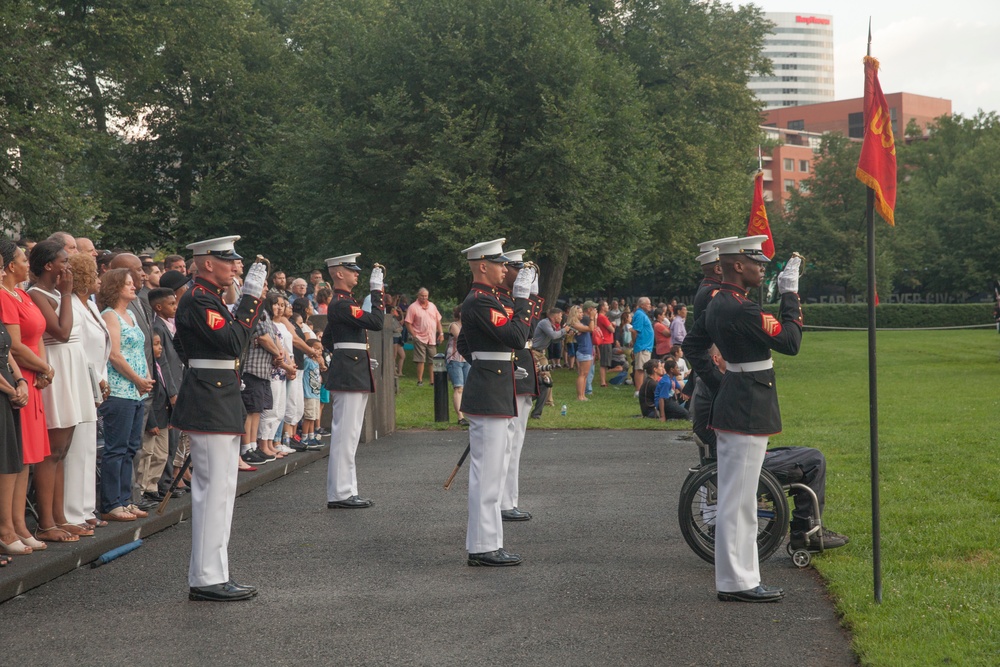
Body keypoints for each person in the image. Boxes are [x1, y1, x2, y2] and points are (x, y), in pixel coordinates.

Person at [683, 235, 803, 603]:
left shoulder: (721, 301)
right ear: (738, 265)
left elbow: (692, 346)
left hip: (739, 397)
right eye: (758, 263)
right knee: (738, 499)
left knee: (742, 497)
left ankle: (742, 578)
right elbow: (792, 341)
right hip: (748, 405)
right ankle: (737, 583)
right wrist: (790, 293)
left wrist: (722, 383)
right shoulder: (742, 309)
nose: (763, 269)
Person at [171, 236, 265, 602]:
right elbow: (232, 343)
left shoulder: (206, 297)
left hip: (218, 393)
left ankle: (215, 572)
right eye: (230, 262)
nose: (237, 268)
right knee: (212, 491)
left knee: (223, 490)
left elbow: (188, 345)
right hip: (210, 397)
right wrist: (252, 300)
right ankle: (207, 577)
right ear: (207, 262)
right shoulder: (198, 297)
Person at [691, 345, 848, 553]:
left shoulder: (709, 384)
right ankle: (804, 530)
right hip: (741, 459)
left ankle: (806, 526)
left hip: (731, 455)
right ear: (717, 358)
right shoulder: (721, 387)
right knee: (815, 460)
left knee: (801, 452)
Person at [455, 238, 533, 566]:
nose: (506, 268)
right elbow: (516, 337)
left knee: (494, 471)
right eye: (500, 263)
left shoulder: (486, 300)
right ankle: (482, 546)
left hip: (494, 389)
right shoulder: (480, 301)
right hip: (490, 392)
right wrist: (524, 300)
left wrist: (485, 361)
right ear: (483, 266)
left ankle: (490, 543)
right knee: (487, 474)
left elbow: (464, 342)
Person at [29, 240, 98, 539]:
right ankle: (46, 523)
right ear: (49, 266)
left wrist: (65, 294)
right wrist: (68, 294)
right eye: (64, 261)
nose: (68, 267)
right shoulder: (37, 294)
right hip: (55, 367)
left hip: (73, 368)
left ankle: (59, 516)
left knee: (63, 450)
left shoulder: (57, 293)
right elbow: (62, 330)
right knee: (51, 451)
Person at [0, 241, 55, 549]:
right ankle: (10, 525)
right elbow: (15, 346)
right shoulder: (4, 297)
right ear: (10, 266)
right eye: (23, 259)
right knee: (17, 456)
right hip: (22, 374)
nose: (27, 265)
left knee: (28, 456)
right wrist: (43, 368)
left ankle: (20, 524)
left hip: (33, 376)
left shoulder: (21, 293)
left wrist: (45, 369)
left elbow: (38, 334)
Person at [322, 253, 385, 509]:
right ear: (339, 273)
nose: (357, 274)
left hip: (352, 370)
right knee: (344, 436)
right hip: (349, 374)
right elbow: (377, 322)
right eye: (351, 270)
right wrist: (377, 291)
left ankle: (346, 490)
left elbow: (328, 339)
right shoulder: (341, 304)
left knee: (349, 435)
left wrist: (349, 353)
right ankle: (340, 493)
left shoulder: (344, 303)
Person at [98, 268, 155, 523]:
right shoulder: (110, 315)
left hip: (137, 392)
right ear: (115, 287)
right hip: (121, 390)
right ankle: (112, 503)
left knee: (131, 447)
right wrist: (137, 379)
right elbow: (115, 354)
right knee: (116, 448)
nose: (134, 287)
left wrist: (143, 381)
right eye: (128, 283)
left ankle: (126, 499)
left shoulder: (130, 313)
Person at [64, 252, 110, 528]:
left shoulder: (89, 305)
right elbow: (79, 349)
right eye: (93, 274)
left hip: (96, 380)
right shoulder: (71, 304)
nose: (99, 280)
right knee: (77, 450)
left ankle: (86, 509)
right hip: (82, 380)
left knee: (88, 448)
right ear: (83, 278)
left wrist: (102, 379)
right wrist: (97, 380)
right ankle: (72, 512)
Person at [495, 249, 539, 522]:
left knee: (515, 441)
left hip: (521, 366)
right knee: (507, 441)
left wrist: (529, 295)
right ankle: (503, 501)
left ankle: (508, 499)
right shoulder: (500, 299)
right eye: (517, 269)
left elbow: (531, 328)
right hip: (510, 367)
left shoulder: (513, 299)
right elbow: (524, 331)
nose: (521, 274)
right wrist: (525, 297)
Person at [529, 308, 566, 419]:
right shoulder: (545, 323)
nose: (561, 318)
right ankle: (534, 399)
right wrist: (564, 330)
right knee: (539, 377)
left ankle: (548, 401)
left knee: (548, 378)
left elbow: (554, 340)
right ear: (554, 316)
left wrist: (564, 334)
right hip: (534, 352)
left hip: (541, 353)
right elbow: (554, 335)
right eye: (560, 316)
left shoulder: (552, 325)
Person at [403, 287, 443, 386]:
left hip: (431, 338)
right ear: (418, 295)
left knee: (433, 359)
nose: (424, 298)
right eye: (422, 296)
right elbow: (408, 322)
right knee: (420, 359)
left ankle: (432, 381)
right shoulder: (413, 307)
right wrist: (414, 335)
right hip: (420, 337)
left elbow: (438, 320)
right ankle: (420, 380)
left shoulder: (432, 306)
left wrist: (441, 333)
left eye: (426, 296)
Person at [446, 306, 471, 426]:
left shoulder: (470, 326)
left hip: (466, 359)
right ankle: (460, 417)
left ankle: (467, 415)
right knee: (459, 387)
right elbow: (461, 337)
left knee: (467, 388)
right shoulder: (454, 325)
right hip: (455, 359)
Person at [570, 301, 597, 401]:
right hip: (583, 351)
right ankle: (579, 396)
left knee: (585, 375)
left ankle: (583, 395)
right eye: (579, 312)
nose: (582, 314)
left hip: (587, 350)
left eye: (582, 312)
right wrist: (592, 317)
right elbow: (591, 329)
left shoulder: (579, 323)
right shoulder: (575, 324)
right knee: (582, 374)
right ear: (575, 314)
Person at [631, 297, 654, 392]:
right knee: (640, 369)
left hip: (645, 346)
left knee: (643, 369)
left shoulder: (642, 314)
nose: (650, 305)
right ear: (642, 305)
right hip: (642, 345)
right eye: (648, 303)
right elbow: (634, 331)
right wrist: (634, 342)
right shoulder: (640, 315)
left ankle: (642, 389)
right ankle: (638, 390)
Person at [596, 301, 615, 387]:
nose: (608, 306)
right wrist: (613, 325)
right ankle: (603, 382)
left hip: (604, 341)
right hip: (605, 341)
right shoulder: (603, 318)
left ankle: (604, 380)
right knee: (604, 363)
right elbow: (612, 330)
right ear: (602, 307)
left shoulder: (600, 317)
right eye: (607, 305)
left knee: (605, 362)